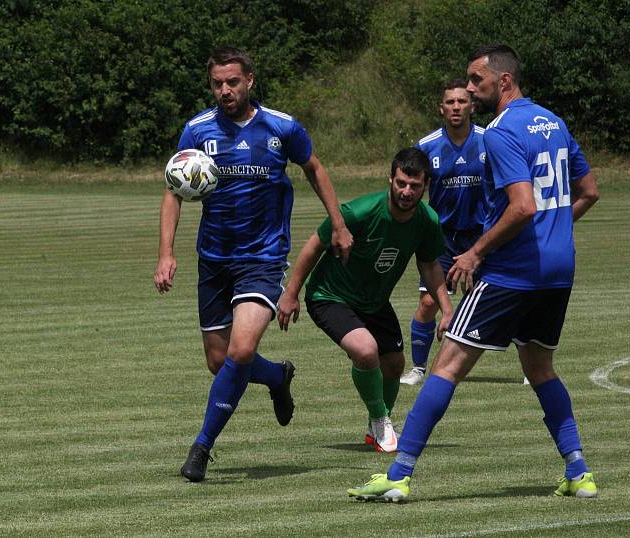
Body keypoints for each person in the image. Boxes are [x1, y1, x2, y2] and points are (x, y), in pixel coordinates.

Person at [347, 44, 600, 502]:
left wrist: (475, 253)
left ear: (503, 81)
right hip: (558, 272)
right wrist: (554, 230)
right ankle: (578, 471)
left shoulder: (500, 132)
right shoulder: (555, 123)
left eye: (475, 80)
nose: (468, 88)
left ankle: (398, 474)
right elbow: (588, 192)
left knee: (447, 366)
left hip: (513, 272)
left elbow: (522, 207)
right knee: (541, 368)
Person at [154, 46, 353, 483]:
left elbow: (314, 168)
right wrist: (166, 253)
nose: (225, 90)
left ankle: (202, 448)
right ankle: (277, 376)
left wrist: (337, 223)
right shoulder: (197, 130)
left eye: (232, 82)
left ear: (250, 81)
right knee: (220, 360)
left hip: (262, 259)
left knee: (240, 351)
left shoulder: (281, 127)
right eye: (217, 84)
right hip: (214, 260)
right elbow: (173, 188)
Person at [277, 148, 453, 452]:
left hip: (374, 302)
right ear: (390, 178)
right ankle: (379, 419)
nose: (406, 191)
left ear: (426, 186)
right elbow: (314, 246)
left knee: (395, 365)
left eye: (414, 186)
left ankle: (376, 429)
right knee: (366, 351)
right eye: (400, 183)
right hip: (330, 296)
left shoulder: (427, 220)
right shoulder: (360, 212)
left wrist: (447, 310)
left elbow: (429, 264)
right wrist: (290, 294)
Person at [401, 80, 487, 386]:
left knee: (500, 298)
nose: (455, 107)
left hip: (482, 238)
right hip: (442, 239)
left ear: (472, 106)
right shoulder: (426, 146)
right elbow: (411, 191)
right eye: (449, 102)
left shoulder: (490, 140)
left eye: (462, 102)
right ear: (441, 108)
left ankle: (531, 366)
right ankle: (418, 368)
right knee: (428, 303)